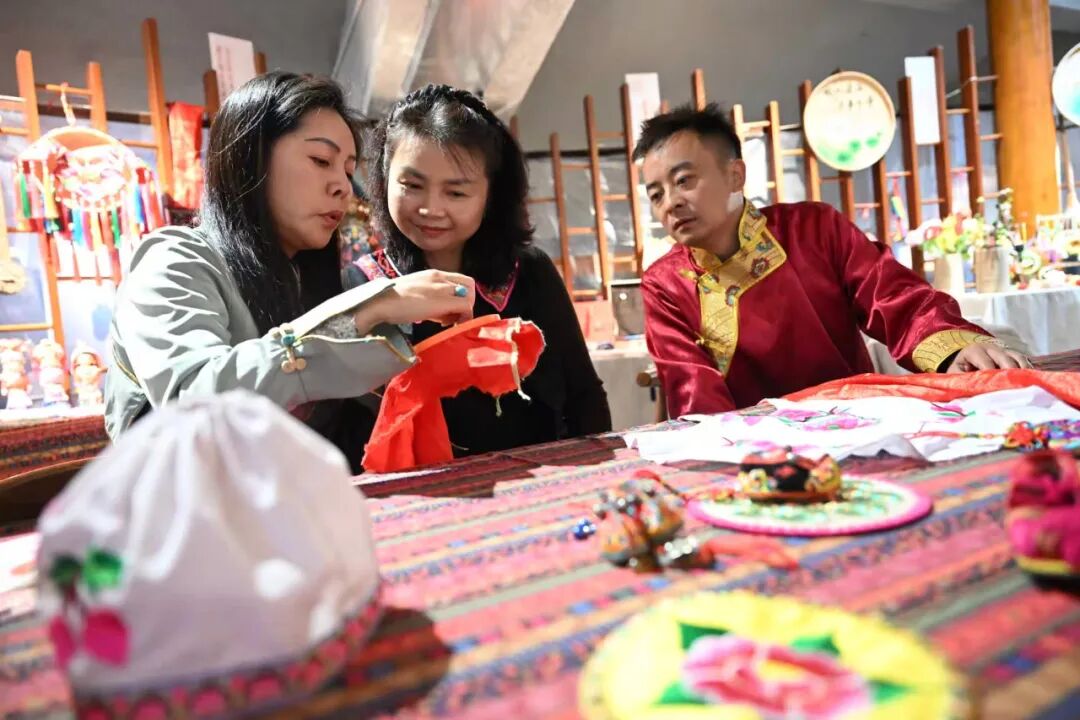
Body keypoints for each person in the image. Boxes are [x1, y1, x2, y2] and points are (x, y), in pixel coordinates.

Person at [106, 72, 477, 470]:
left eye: (348, 169)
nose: (343, 187)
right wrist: (367, 309)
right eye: (321, 161)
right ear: (251, 156)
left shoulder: (304, 276)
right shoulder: (173, 259)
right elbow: (193, 406)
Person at [635, 104, 1029, 418]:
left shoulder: (813, 228)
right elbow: (695, 396)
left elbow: (895, 299)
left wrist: (953, 349)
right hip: (753, 450)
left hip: (855, 421)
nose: (671, 203)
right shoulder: (665, 283)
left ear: (735, 175)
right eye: (656, 194)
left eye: (684, 180)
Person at [347, 84, 611, 456]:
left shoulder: (530, 271)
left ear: (491, 195)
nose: (431, 209)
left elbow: (583, 395)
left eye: (455, 193)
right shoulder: (362, 283)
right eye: (412, 185)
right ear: (384, 179)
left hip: (543, 476)